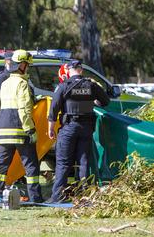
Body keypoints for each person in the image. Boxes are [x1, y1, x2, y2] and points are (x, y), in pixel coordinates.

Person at [47, 60, 110, 203]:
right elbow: (105, 101)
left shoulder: (63, 86)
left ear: (69, 71)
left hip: (69, 127)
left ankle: (58, 197)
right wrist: (94, 101)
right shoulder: (91, 85)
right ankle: (84, 196)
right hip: (86, 128)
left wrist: (51, 129)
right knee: (84, 163)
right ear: (81, 70)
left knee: (63, 163)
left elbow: (53, 110)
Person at [0, 49, 42, 203]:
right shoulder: (23, 84)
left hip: (4, 127)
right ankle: (35, 197)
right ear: (22, 65)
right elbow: (24, 109)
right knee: (31, 164)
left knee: (1, 163)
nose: (28, 68)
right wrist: (30, 129)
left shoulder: (5, 82)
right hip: (20, 128)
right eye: (28, 65)